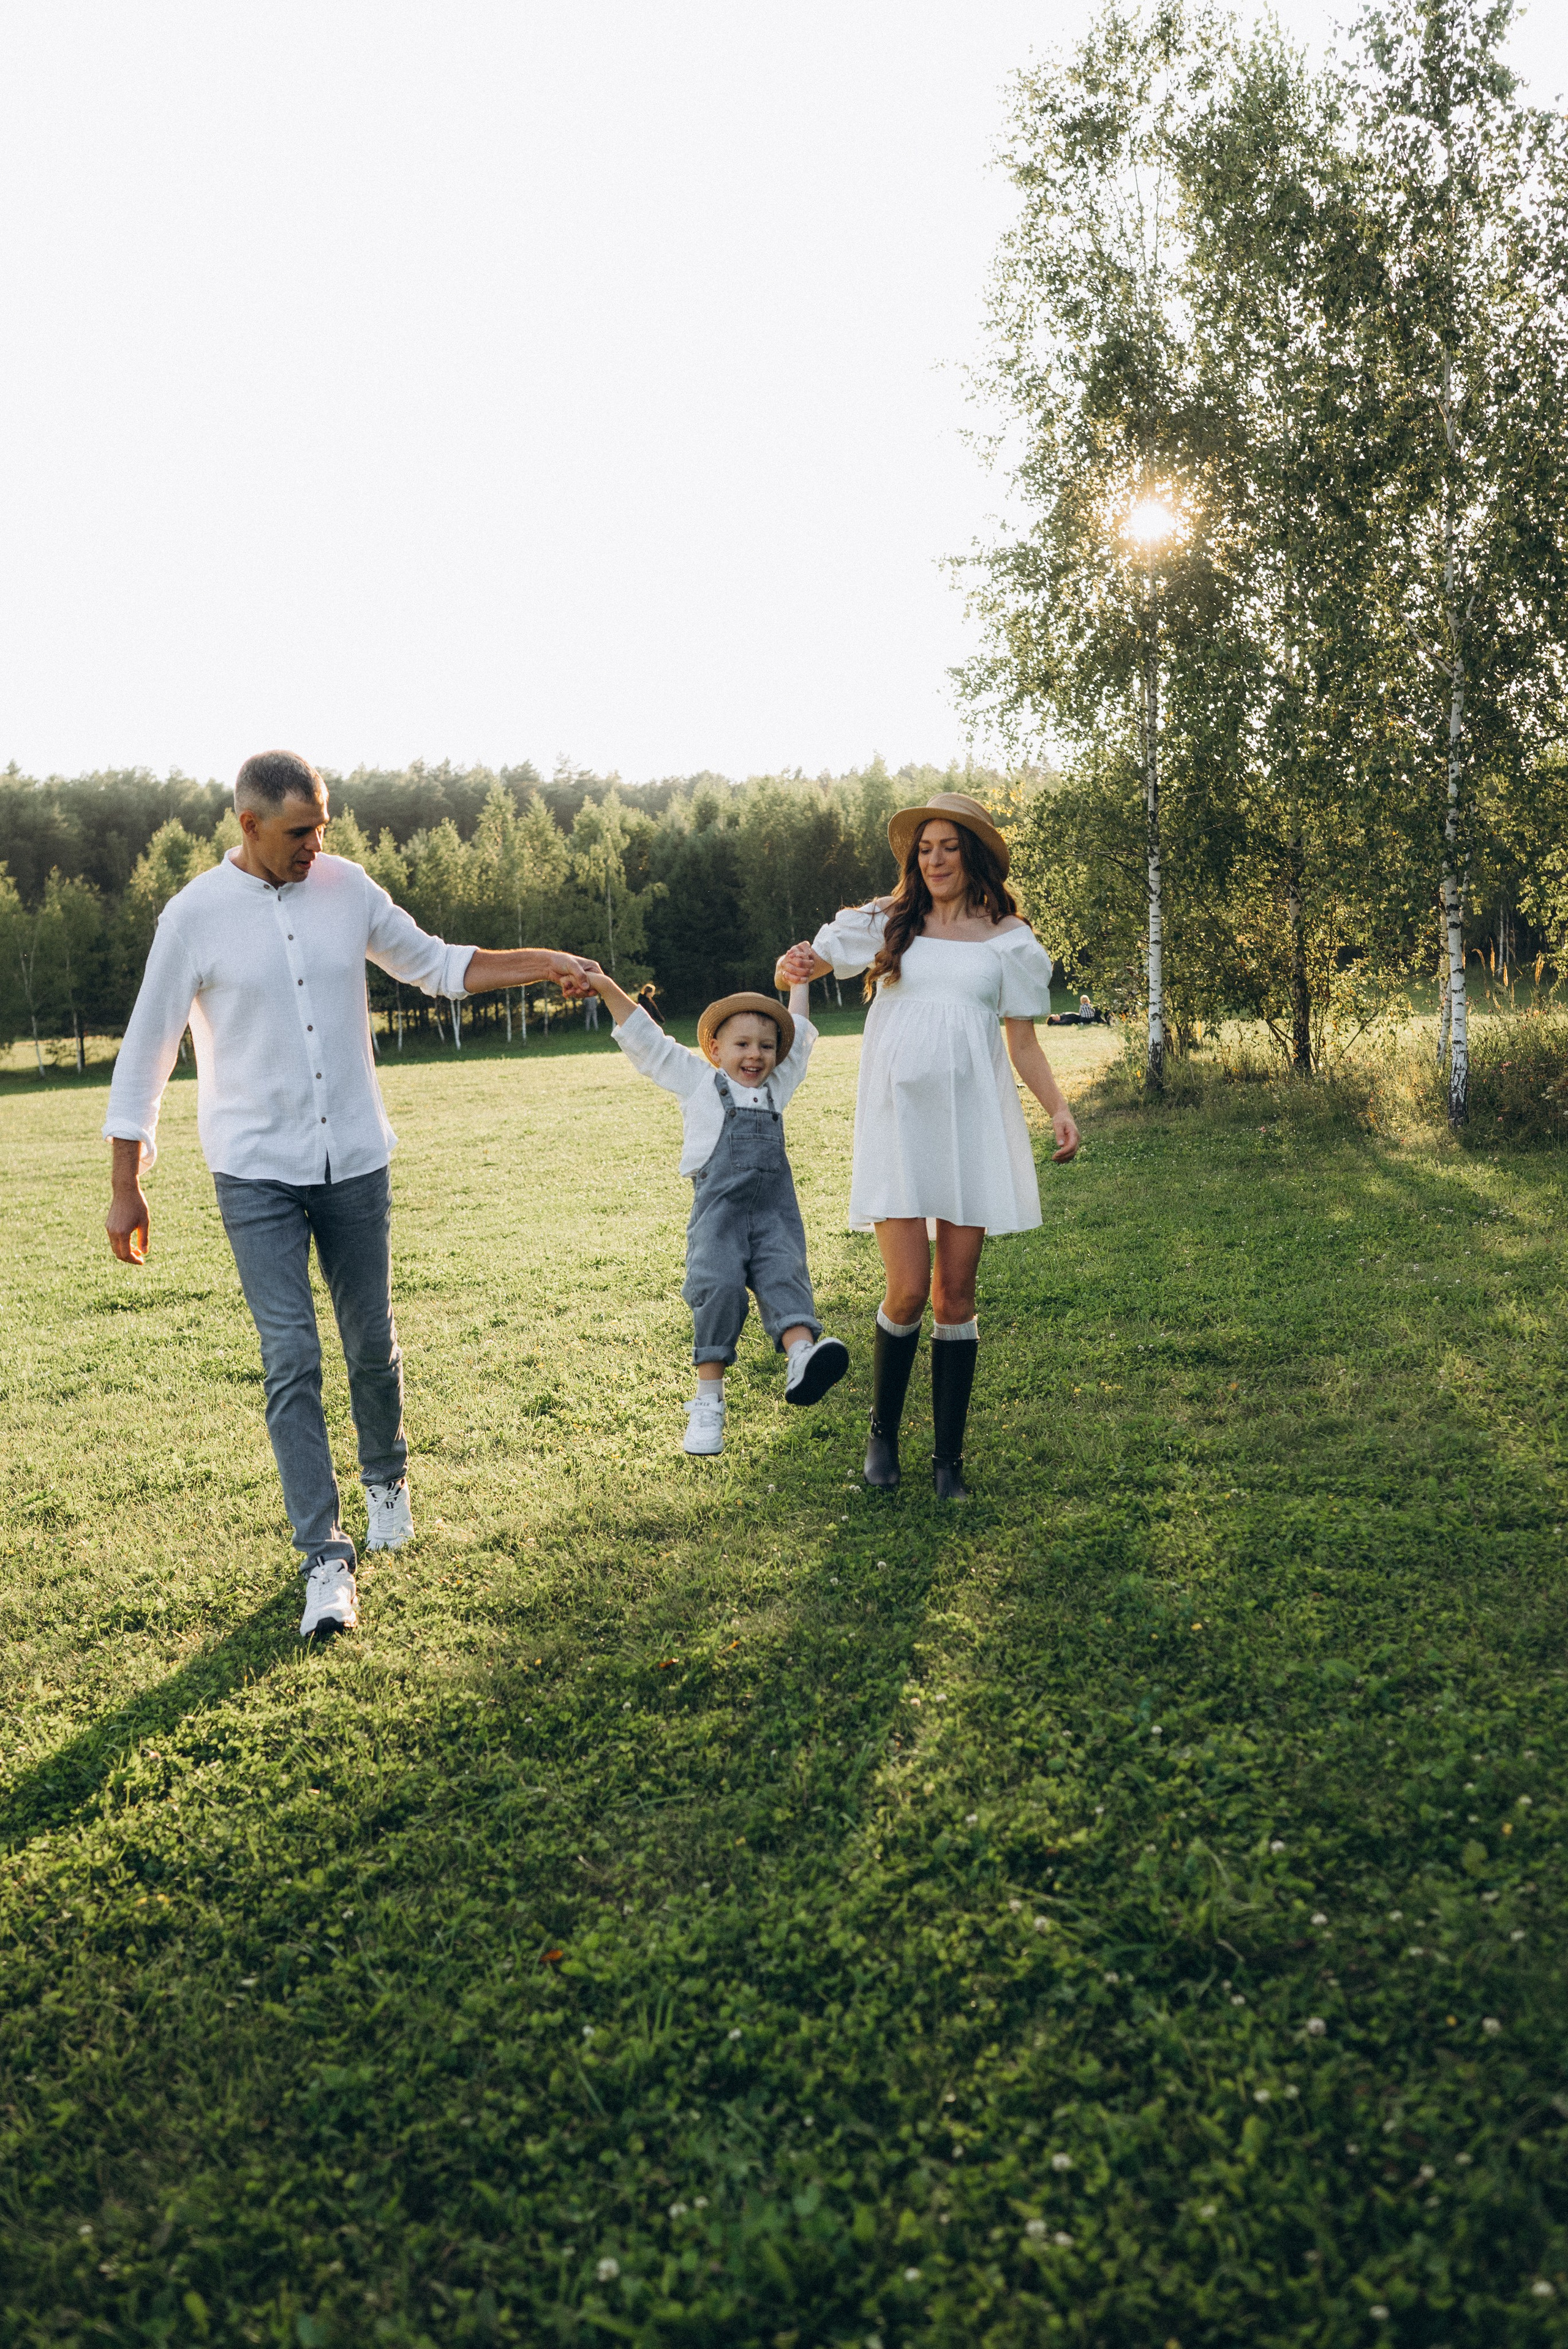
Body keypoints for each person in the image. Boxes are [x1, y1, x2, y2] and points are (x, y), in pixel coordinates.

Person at [103, 749, 598, 1638]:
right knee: (291, 1356)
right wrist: (125, 1183)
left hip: (355, 1161)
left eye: (323, 827)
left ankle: (386, 1481)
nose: (316, 845)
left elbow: (439, 964)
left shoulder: (348, 887)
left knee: (371, 1340)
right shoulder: (193, 917)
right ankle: (325, 1560)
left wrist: (545, 961)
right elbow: (147, 1053)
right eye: (301, 832)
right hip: (254, 1169)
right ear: (249, 824)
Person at [778, 790, 1079, 1500]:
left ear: (972, 855)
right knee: (909, 1287)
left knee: (955, 1294)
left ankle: (948, 1460)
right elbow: (804, 967)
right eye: (924, 848)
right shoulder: (886, 921)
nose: (935, 859)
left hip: (972, 1119)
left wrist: (1059, 1108)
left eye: (948, 847)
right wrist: (793, 968)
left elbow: (1022, 1041)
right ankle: (882, 1435)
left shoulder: (1009, 939)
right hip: (897, 1122)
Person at [579, 963, 849, 1455]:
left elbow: (800, 1037)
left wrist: (801, 981)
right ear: (715, 1049)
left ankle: (802, 1356)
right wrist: (603, 985)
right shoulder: (698, 1081)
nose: (756, 1054)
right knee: (719, 1287)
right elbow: (647, 1039)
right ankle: (708, 1402)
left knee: (785, 1276)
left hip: (775, 1216)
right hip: (719, 1219)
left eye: (766, 1046)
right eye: (742, 1044)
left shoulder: (776, 1087)